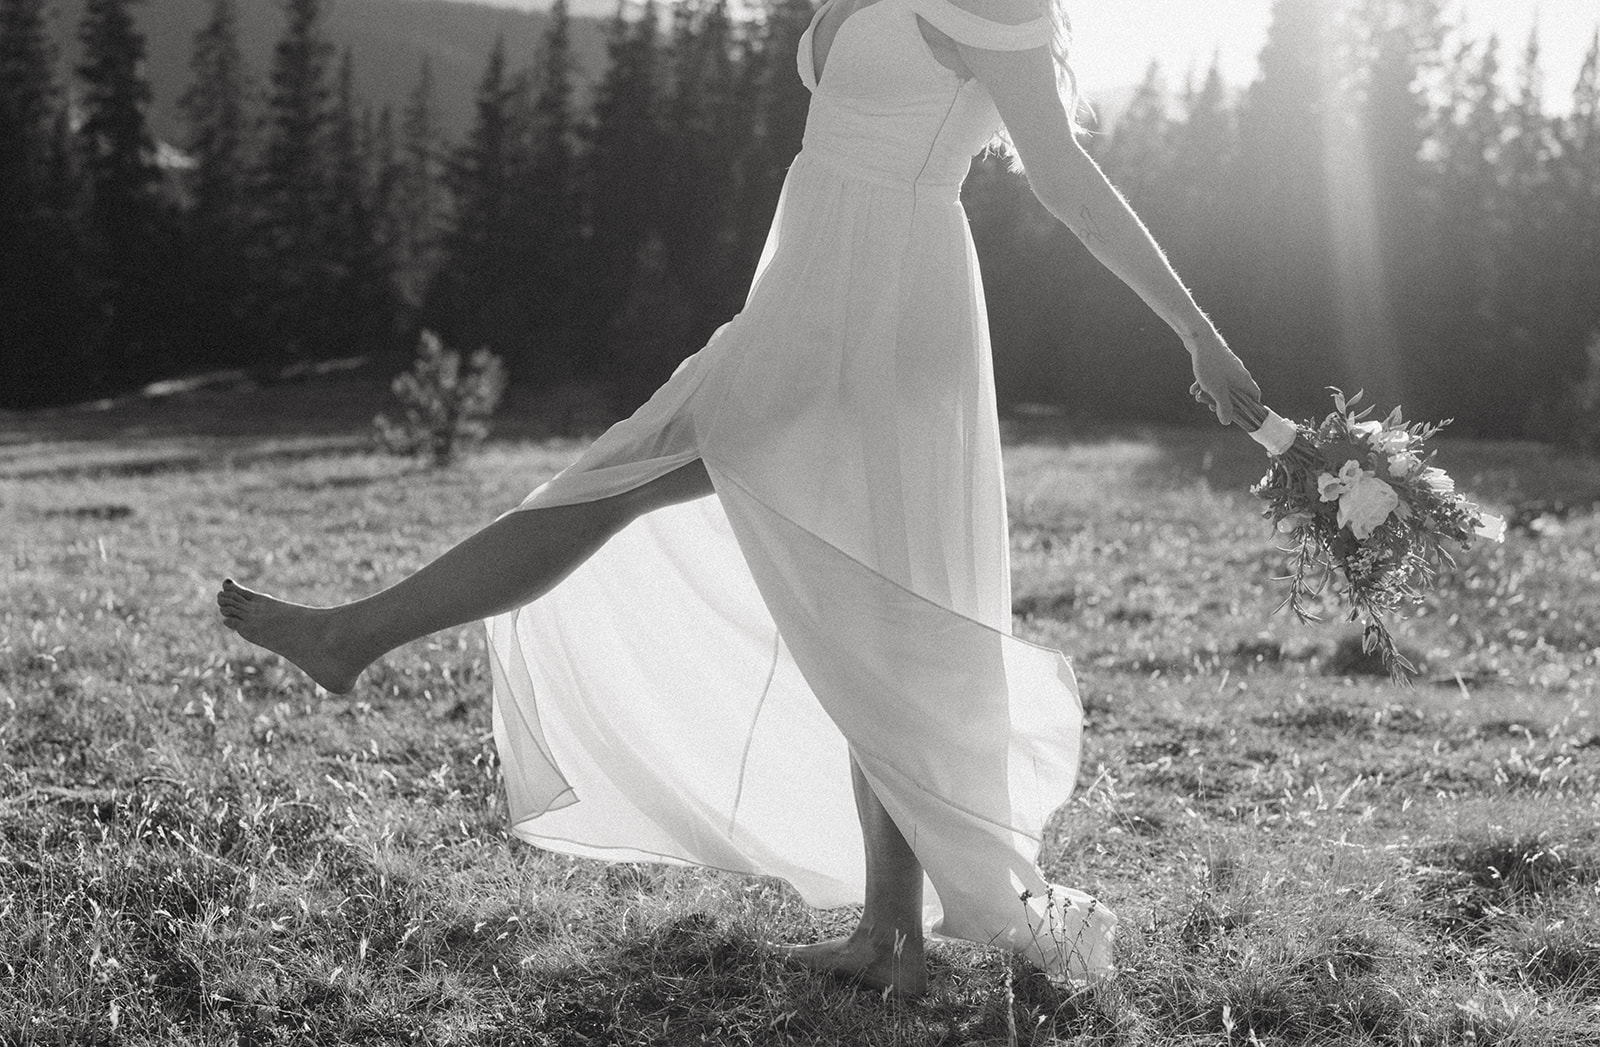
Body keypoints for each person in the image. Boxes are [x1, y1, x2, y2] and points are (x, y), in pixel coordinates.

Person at [218, 0, 1262, 996]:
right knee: (671, 506)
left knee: (794, 562)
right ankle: (889, 933)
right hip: (806, 298)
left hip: (889, 308)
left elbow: (1066, 177)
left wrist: (1198, 332)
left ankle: (356, 636)